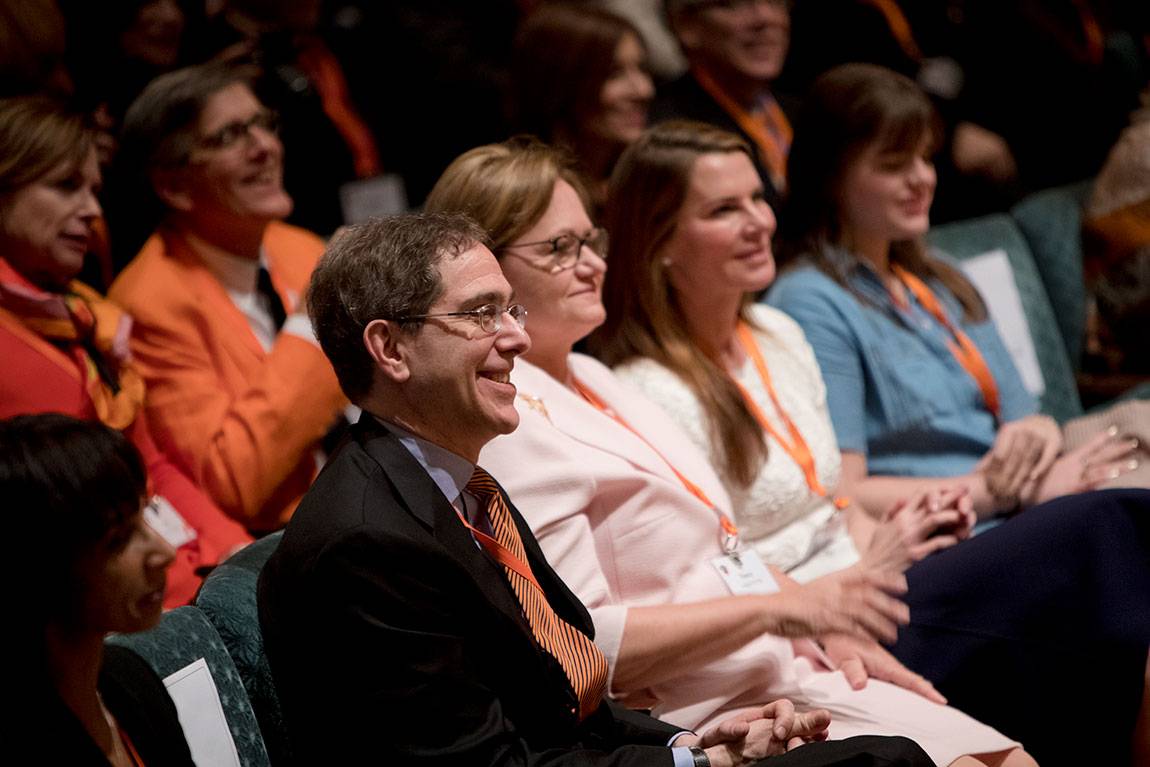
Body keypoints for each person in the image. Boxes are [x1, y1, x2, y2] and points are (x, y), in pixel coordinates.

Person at [426, 137, 1031, 766]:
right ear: (486, 275)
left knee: (1010, 758)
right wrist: (781, 610)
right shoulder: (505, 421)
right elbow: (578, 643)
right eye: (559, 248)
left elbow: (724, 549)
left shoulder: (592, 374)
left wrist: (824, 624)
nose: (593, 264)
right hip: (701, 714)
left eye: (591, 241)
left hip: (784, 665)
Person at [258, 210, 936, 766]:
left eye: (511, 310)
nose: (517, 339)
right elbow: (488, 764)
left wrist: (689, 743)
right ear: (390, 349)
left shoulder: (463, 484)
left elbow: (564, 689)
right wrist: (694, 766)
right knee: (885, 761)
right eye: (481, 314)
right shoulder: (367, 541)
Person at [594, 117, 1150, 765]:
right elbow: (713, 565)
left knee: (1104, 589)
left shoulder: (775, 330)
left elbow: (837, 498)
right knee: (1104, 522)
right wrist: (870, 567)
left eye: (756, 199)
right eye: (724, 209)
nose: (758, 221)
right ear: (659, 241)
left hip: (876, 576)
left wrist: (891, 540)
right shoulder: (642, 390)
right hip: (814, 624)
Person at [0, 95, 250, 606]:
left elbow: (150, 467)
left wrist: (235, 550)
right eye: (65, 186)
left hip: (170, 581)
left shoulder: (87, 315)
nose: (92, 212)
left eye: (94, 190)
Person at [109, 61, 348, 533]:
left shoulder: (299, 248)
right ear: (174, 186)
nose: (265, 147)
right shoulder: (148, 305)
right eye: (230, 136)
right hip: (286, 542)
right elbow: (234, 481)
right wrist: (309, 325)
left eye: (264, 124)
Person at [4, 413, 193, 766]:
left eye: (145, 515)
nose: (165, 553)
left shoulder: (131, 681)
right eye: (118, 540)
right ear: (42, 568)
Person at [652, 0, 798, 212]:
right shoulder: (668, 135)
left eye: (775, 2)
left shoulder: (807, 111)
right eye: (736, 3)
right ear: (686, 24)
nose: (765, 18)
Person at [511, 4, 654, 210]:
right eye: (614, 74)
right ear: (561, 85)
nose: (644, 90)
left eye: (642, 68)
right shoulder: (522, 200)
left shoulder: (645, 184)